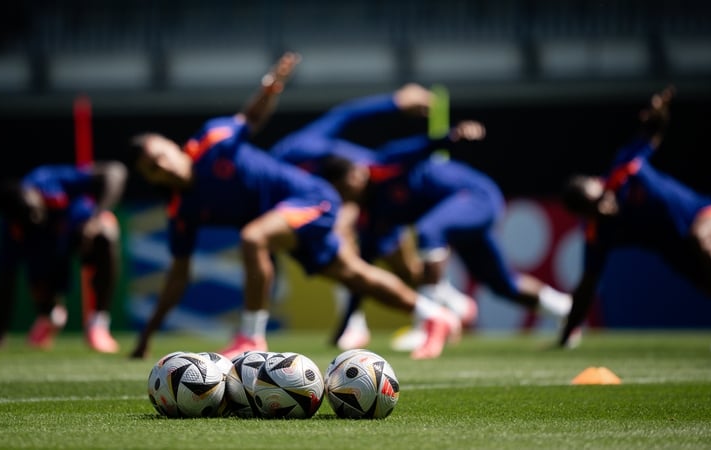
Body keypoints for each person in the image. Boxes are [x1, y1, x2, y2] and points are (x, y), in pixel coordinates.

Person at [127, 52, 461, 361]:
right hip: (287, 220)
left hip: (310, 198)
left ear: (173, 146)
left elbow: (251, 118)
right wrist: (147, 333)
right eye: (154, 168)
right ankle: (433, 315)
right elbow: (177, 276)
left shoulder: (212, 142)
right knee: (355, 276)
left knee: (253, 237)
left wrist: (271, 84)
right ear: (152, 179)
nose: (165, 166)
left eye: (162, 156)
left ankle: (251, 338)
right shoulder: (180, 210)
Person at [271, 86, 574, 351]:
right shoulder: (374, 219)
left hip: (475, 196)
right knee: (502, 284)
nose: (348, 188)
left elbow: (423, 146)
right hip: (458, 212)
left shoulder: (382, 166)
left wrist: (455, 135)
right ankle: (567, 310)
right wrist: (343, 328)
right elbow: (361, 278)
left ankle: (428, 324)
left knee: (430, 231)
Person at [557, 86, 711, 352]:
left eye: (601, 198)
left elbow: (652, 133)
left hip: (710, 216)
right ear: (583, 215)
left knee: (701, 236)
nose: (604, 208)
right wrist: (567, 334)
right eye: (594, 209)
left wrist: (659, 113)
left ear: (598, 183)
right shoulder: (598, 232)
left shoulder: (625, 169)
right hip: (681, 252)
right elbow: (587, 285)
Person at [0, 161, 127, 353]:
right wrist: (0, 335)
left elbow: (115, 172)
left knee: (106, 233)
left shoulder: (48, 181)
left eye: (33, 211)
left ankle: (99, 323)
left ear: (33, 193)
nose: (34, 219)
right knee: (44, 295)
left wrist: (95, 218)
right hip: (46, 255)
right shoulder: (12, 230)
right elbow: (6, 278)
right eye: (26, 219)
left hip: (79, 233)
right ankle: (50, 317)